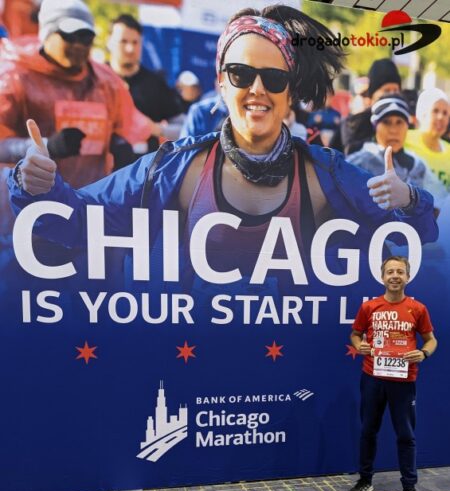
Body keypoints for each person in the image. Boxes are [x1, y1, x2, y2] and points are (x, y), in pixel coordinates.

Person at [8, 5, 438, 294]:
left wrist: (409, 201)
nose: (257, 89)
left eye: (274, 78)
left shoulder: (326, 174)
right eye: (240, 74)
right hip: (193, 366)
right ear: (220, 83)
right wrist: (37, 188)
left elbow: (410, 243)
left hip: (290, 376)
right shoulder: (175, 168)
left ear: (290, 93)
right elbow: (79, 224)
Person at [0, 0, 145, 188]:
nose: (78, 45)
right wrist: (46, 146)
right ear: (47, 34)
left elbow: (130, 126)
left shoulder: (106, 82)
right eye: (70, 35)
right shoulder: (16, 76)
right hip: (32, 201)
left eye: (85, 37)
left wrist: (119, 142)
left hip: (91, 198)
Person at [348, 256, 437, 491]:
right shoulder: (370, 307)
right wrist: (360, 346)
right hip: (372, 378)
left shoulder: (418, 308)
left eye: (400, 272)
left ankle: (409, 486)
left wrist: (423, 353)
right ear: (382, 277)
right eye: (390, 272)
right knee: (368, 430)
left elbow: (431, 340)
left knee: (406, 435)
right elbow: (355, 334)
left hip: (404, 381)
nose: (395, 276)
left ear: (407, 277)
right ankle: (365, 480)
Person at [347, 94, 448, 215]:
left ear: (407, 126)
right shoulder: (356, 163)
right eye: (386, 122)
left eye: (399, 122)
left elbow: (440, 203)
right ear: (375, 126)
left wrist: (413, 198)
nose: (393, 130)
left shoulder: (418, 166)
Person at [107, 13, 184, 151]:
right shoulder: (95, 79)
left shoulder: (155, 83)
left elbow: (185, 127)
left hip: (143, 161)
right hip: (100, 162)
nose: (130, 48)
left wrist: (156, 129)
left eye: (135, 42)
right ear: (109, 41)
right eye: (123, 41)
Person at [331, 58, 401, 155]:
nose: (392, 95)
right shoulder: (354, 124)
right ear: (373, 95)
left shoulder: (404, 122)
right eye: (386, 90)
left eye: (396, 90)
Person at [405, 88, 450, 191]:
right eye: (435, 111)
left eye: (445, 113)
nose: (440, 117)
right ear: (423, 112)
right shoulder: (404, 138)